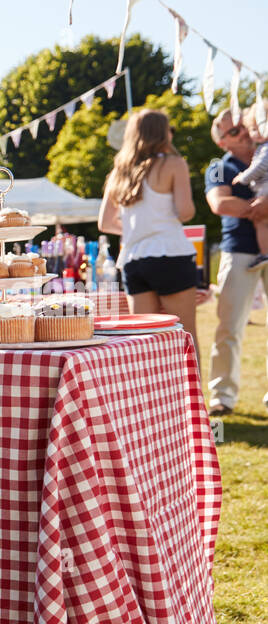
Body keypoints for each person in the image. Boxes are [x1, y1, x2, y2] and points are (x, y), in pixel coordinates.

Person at [97, 109, 199, 363]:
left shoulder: (119, 171)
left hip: (133, 259)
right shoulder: (174, 163)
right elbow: (186, 212)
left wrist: (136, 229)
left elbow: (105, 222)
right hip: (170, 253)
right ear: (163, 132)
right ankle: (192, 401)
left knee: (143, 343)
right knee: (185, 336)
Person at [205, 107, 268, 415]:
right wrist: (259, 208)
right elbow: (219, 202)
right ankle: (222, 396)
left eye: (242, 126)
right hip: (240, 251)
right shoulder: (219, 167)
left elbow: (232, 202)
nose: (242, 133)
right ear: (222, 143)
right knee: (230, 327)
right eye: (233, 132)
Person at [231, 101, 268, 269]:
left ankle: (265, 253)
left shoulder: (265, 149)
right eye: (252, 129)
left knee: (261, 221)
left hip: (265, 189)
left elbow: (259, 167)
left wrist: (243, 178)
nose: (254, 133)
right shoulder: (219, 165)